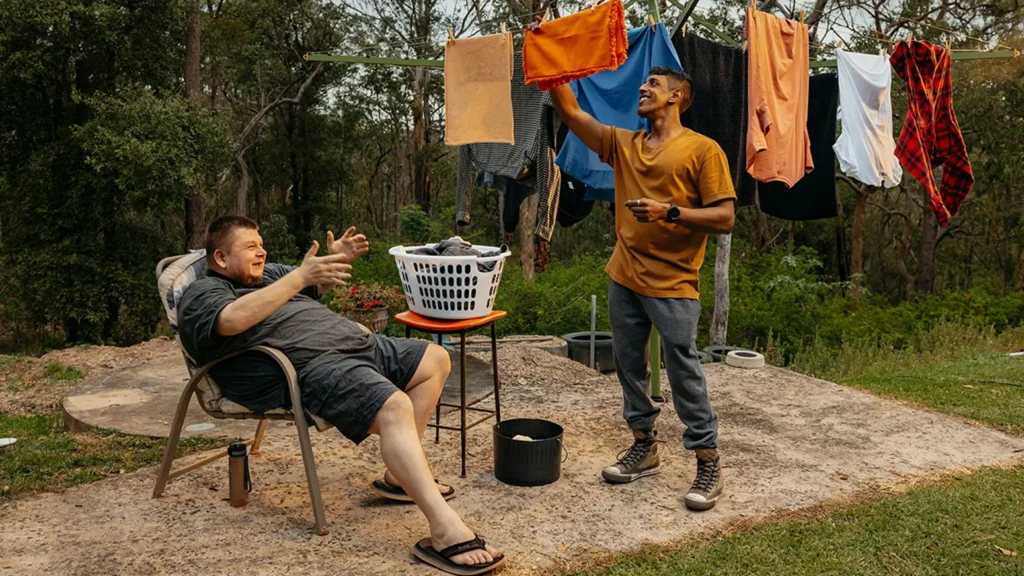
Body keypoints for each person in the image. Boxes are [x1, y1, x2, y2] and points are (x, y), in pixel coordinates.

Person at [177, 216, 503, 575]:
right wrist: (299, 277)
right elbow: (231, 320)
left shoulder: (267, 276)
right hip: (311, 368)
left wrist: (336, 259)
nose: (262, 251)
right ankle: (445, 529)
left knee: (435, 359)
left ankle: (399, 477)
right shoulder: (204, 294)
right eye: (251, 246)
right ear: (221, 258)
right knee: (394, 406)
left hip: (357, 346)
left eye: (261, 243)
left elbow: (310, 282)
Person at [547, 60, 736, 510]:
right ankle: (644, 446)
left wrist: (669, 211)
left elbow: (725, 218)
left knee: (683, 367)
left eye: (653, 83)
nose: (642, 89)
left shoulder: (703, 150)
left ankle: (708, 460)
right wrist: (552, 64)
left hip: (673, 282)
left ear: (677, 96)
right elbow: (573, 114)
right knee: (629, 364)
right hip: (624, 274)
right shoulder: (625, 143)